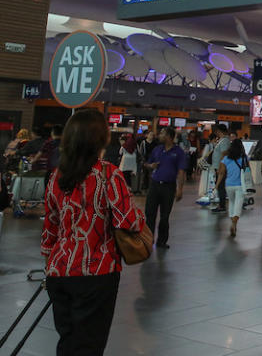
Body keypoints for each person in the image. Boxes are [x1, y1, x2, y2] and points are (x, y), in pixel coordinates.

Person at [41, 109, 145, 356]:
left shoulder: (57, 176)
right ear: (101, 139)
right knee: (89, 344)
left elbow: (50, 227)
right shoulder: (108, 174)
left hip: (60, 270)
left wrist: (49, 263)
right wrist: (138, 213)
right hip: (97, 272)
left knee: (68, 341)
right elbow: (128, 222)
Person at [143, 126, 187, 249]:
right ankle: (149, 239)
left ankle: (161, 241)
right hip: (155, 185)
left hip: (169, 187)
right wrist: (151, 166)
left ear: (169, 136)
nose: (159, 135)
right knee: (150, 214)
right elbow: (146, 163)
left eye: (162, 133)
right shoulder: (157, 149)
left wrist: (180, 189)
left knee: (164, 216)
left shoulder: (178, 152)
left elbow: (181, 171)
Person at [216, 139, 248, 237]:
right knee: (238, 205)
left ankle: (233, 223)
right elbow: (247, 171)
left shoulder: (226, 158)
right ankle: (234, 224)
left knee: (232, 203)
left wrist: (216, 186)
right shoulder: (244, 158)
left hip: (228, 185)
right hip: (240, 185)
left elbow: (220, 173)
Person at [205, 124, 231, 213]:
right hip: (218, 167)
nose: (216, 133)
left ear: (220, 131)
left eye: (217, 131)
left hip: (221, 168)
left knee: (220, 186)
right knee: (220, 186)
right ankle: (221, 204)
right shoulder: (222, 140)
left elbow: (224, 154)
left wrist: (221, 166)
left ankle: (222, 205)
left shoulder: (224, 141)